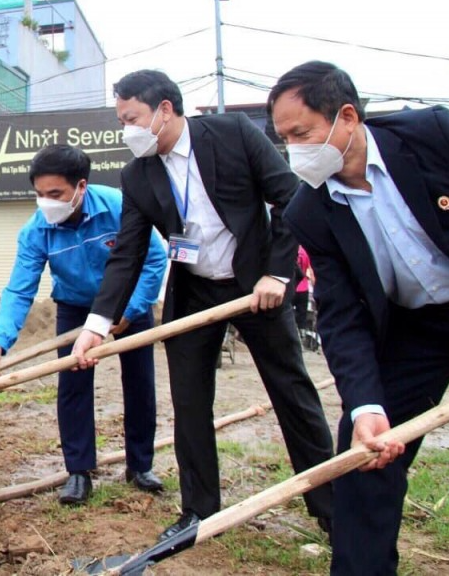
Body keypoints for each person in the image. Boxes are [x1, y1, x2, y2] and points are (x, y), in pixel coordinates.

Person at [71, 69, 335, 543]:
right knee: (190, 402)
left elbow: (291, 198)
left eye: (131, 118)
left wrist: (278, 273)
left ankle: (331, 508)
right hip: (195, 291)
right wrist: (97, 323)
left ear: (165, 111)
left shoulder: (233, 135)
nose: (125, 130)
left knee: (291, 391)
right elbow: (127, 253)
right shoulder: (139, 173)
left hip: (257, 284)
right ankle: (199, 510)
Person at [268, 61, 449, 575]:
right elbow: (343, 316)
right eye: (284, 138)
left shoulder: (434, 135)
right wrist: (366, 405)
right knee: (365, 457)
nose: (294, 149)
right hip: (414, 327)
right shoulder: (308, 211)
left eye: (301, 133)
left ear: (346, 116)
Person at [0, 145, 168, 504]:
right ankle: (78, 472)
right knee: (73, 386)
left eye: (56, 194)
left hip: (127, 306)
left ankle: (140, 466)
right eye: (40, 195)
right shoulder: (36, 230)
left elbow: (154, 258)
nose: (47, 203)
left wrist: (130, 309)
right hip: (75, 307)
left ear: (81, 186)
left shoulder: (119, 207)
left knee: (140, 383)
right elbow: (19, 289)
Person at [293, 245, 313, 333]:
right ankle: (302, 333)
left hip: (292, 286)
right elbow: (310, 270)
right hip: (304, 287)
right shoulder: (306, 252)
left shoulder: (293, 250)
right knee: (302, 313)